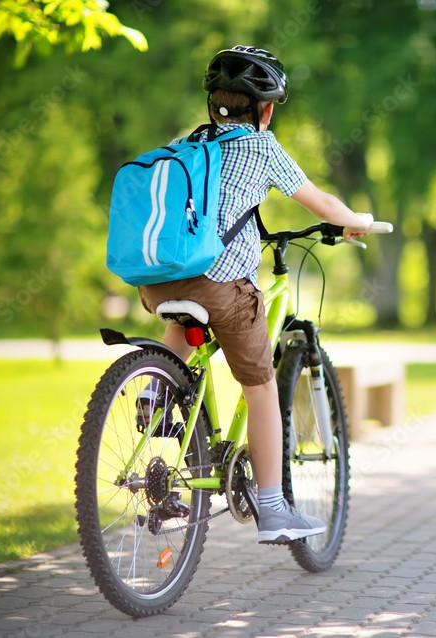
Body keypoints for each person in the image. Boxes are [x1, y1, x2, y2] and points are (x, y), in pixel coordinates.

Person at [136, 45, 374, 542]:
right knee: (261, 388)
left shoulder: (188, 144)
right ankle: (272, 508)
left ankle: (154, 390)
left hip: (157, 284)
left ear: (212, 106)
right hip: (223, 288)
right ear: (265, 110)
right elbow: (321, 201)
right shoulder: (262, 148)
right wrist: (356, 222)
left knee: (183, 319)